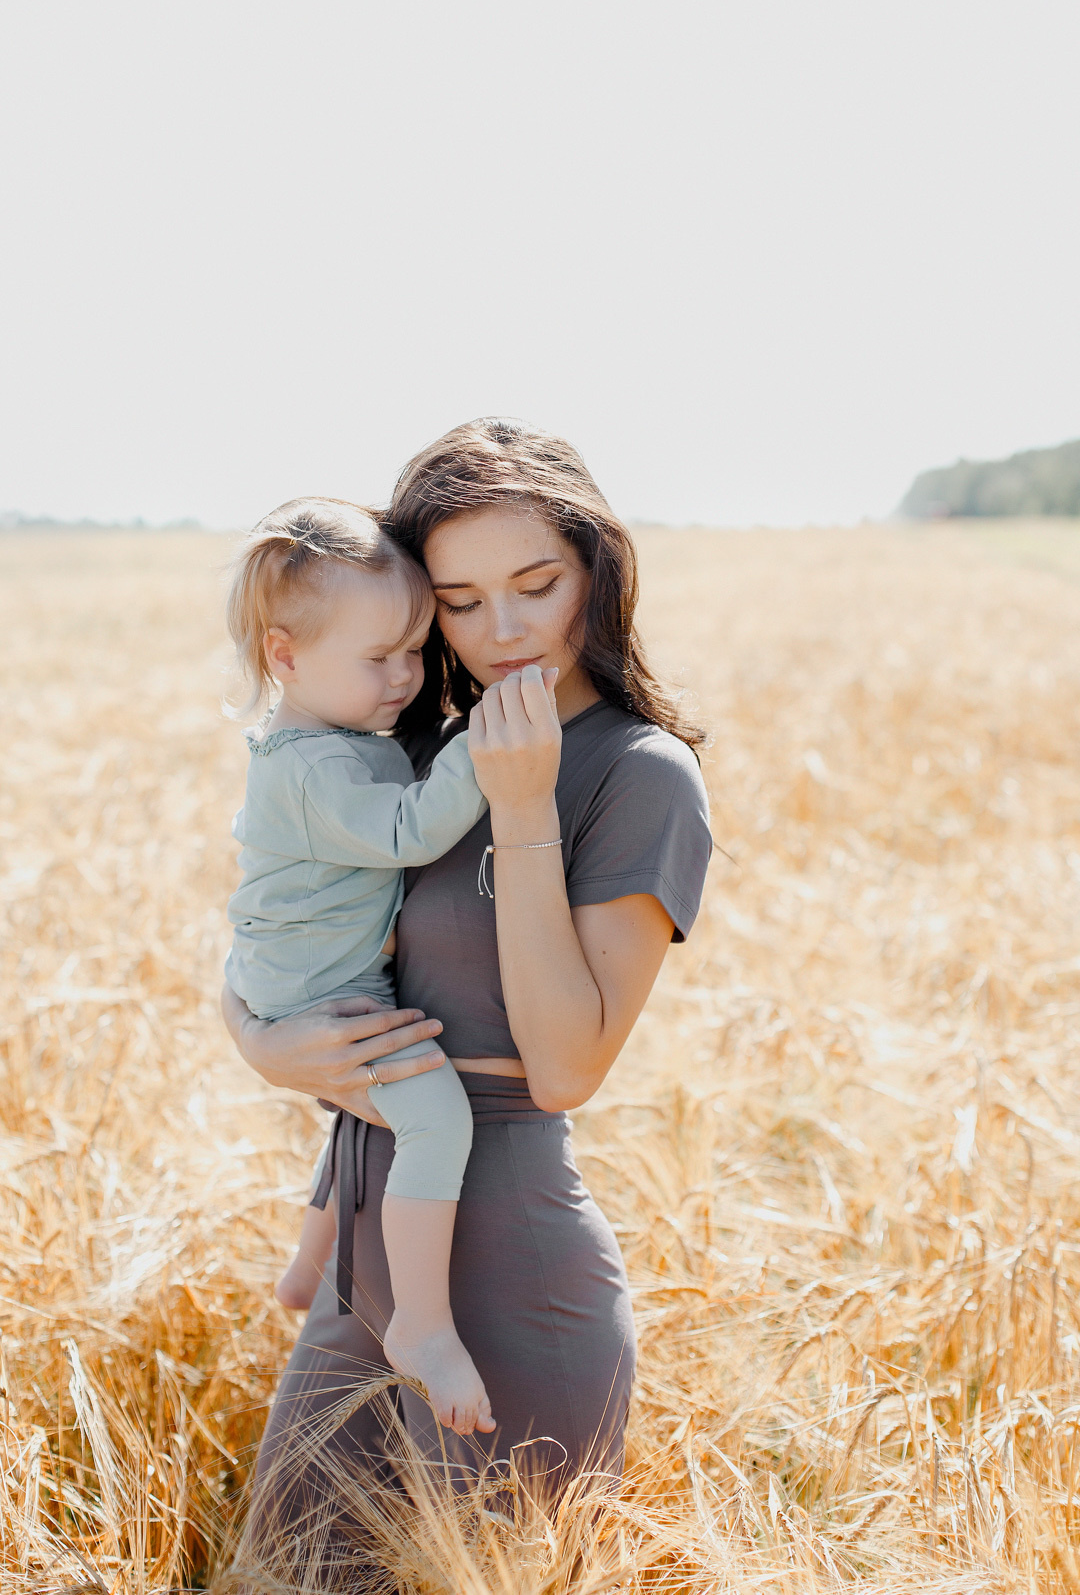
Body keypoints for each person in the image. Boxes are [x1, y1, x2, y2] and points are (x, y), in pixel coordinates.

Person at [222, 418, 712, 1539]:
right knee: (284, 1563)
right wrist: (256, 1038)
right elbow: (279, 911)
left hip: (507, 1257)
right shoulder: (414, 736)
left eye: (536, 584)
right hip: (371, 1242)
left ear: (596, 568)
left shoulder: (640, 775)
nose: (502, 630)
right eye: (457, 598)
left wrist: (526, 799)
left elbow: (567, 1065)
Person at [224, 495, 501, 1435]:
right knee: (431, 1118)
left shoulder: (334, 739)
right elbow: (412, 829)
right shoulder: (314, 767)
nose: (403, 677)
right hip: (320, 992)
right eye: (376, 657)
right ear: (285, 654)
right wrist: (478, 744)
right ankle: (421, 1326)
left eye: (415, 650)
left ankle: (309, 1266)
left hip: (297, 971)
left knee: (359, 1110)